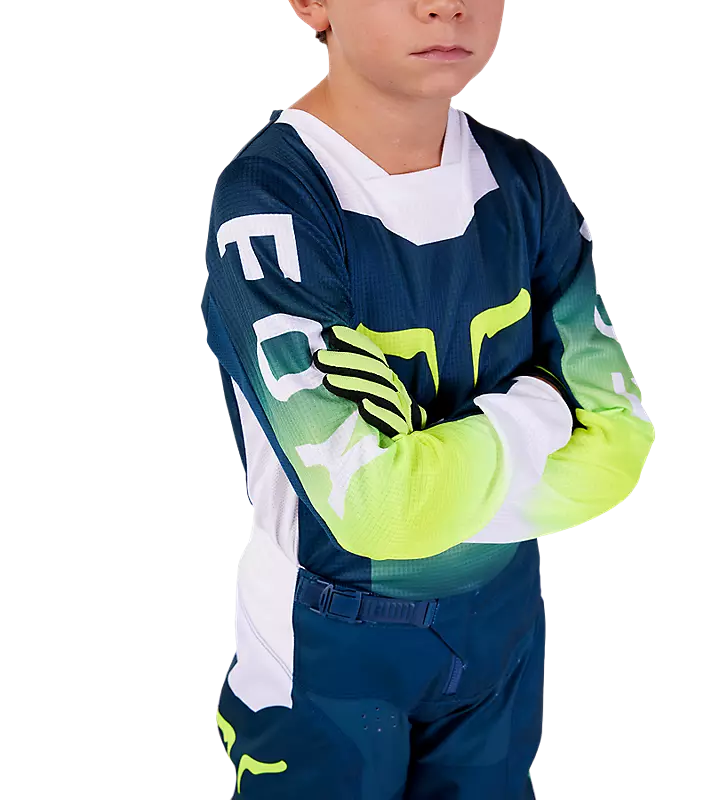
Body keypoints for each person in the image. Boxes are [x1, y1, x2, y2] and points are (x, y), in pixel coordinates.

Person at [200, 0, 657, 796]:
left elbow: (620, 452)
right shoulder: (271, 199)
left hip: (500, 621)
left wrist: (423, 463)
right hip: (328, 637)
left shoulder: (526, 182)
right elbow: (374, 513)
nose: (445, 5)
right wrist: (542, 407)